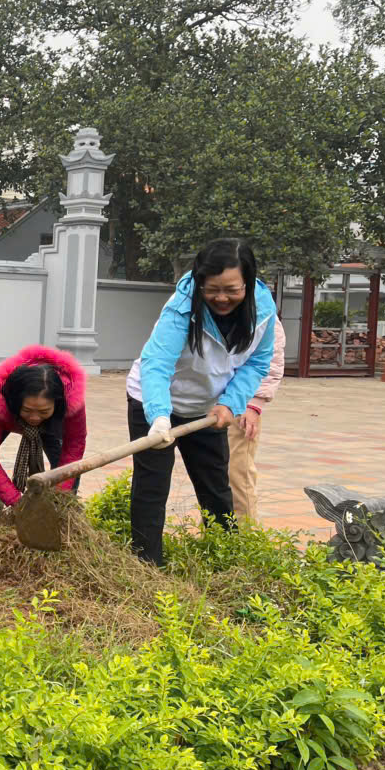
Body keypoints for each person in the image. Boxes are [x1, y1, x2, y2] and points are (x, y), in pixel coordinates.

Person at [126, 238, 276, 565]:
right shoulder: (183, 306)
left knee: (216, 487)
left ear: (248, 283)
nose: (221, 298)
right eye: (212, 289)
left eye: (232, 290)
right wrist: (159, 417)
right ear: (200, 282)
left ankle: (226, 561)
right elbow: (157, 362)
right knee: (152, 487)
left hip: (207, 410)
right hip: (154, 401)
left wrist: (231, 403)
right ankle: (146, 565)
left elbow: (257, 363)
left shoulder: (262, 310)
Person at [0, 345, 87, 533]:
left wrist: (58, 499)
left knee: (69, 468)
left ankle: (62, 523)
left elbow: (73, 450)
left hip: (54, 422)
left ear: (57, 403)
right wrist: (18, 503)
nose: (35, 418)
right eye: (28, 410)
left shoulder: (71, 402)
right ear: (15, 402)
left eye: (43, 411)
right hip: (6, 415)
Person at [228, 319, 286, 521]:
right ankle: (213, 536)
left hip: (242, 404)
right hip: (210, 401)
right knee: (211, 474)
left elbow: (273, 358)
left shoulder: (261, 308)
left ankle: (244, 537)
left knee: (238, 471)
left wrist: (255, 403)